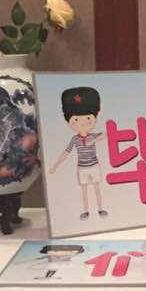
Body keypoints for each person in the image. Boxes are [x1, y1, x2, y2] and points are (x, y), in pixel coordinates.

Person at [48, 86, 108, 221]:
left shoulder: (93, 136)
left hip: (94, 166)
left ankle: (100, 209)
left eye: (88, 118)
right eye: (75, 120)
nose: (82, 123)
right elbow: (66, 152)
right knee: (84, 189)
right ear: (69, 121)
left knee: (96, 187)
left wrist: (95, 140)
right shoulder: (75, 139)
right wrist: (55, 166)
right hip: (82, 168)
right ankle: (86, 211)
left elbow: (107, 133)